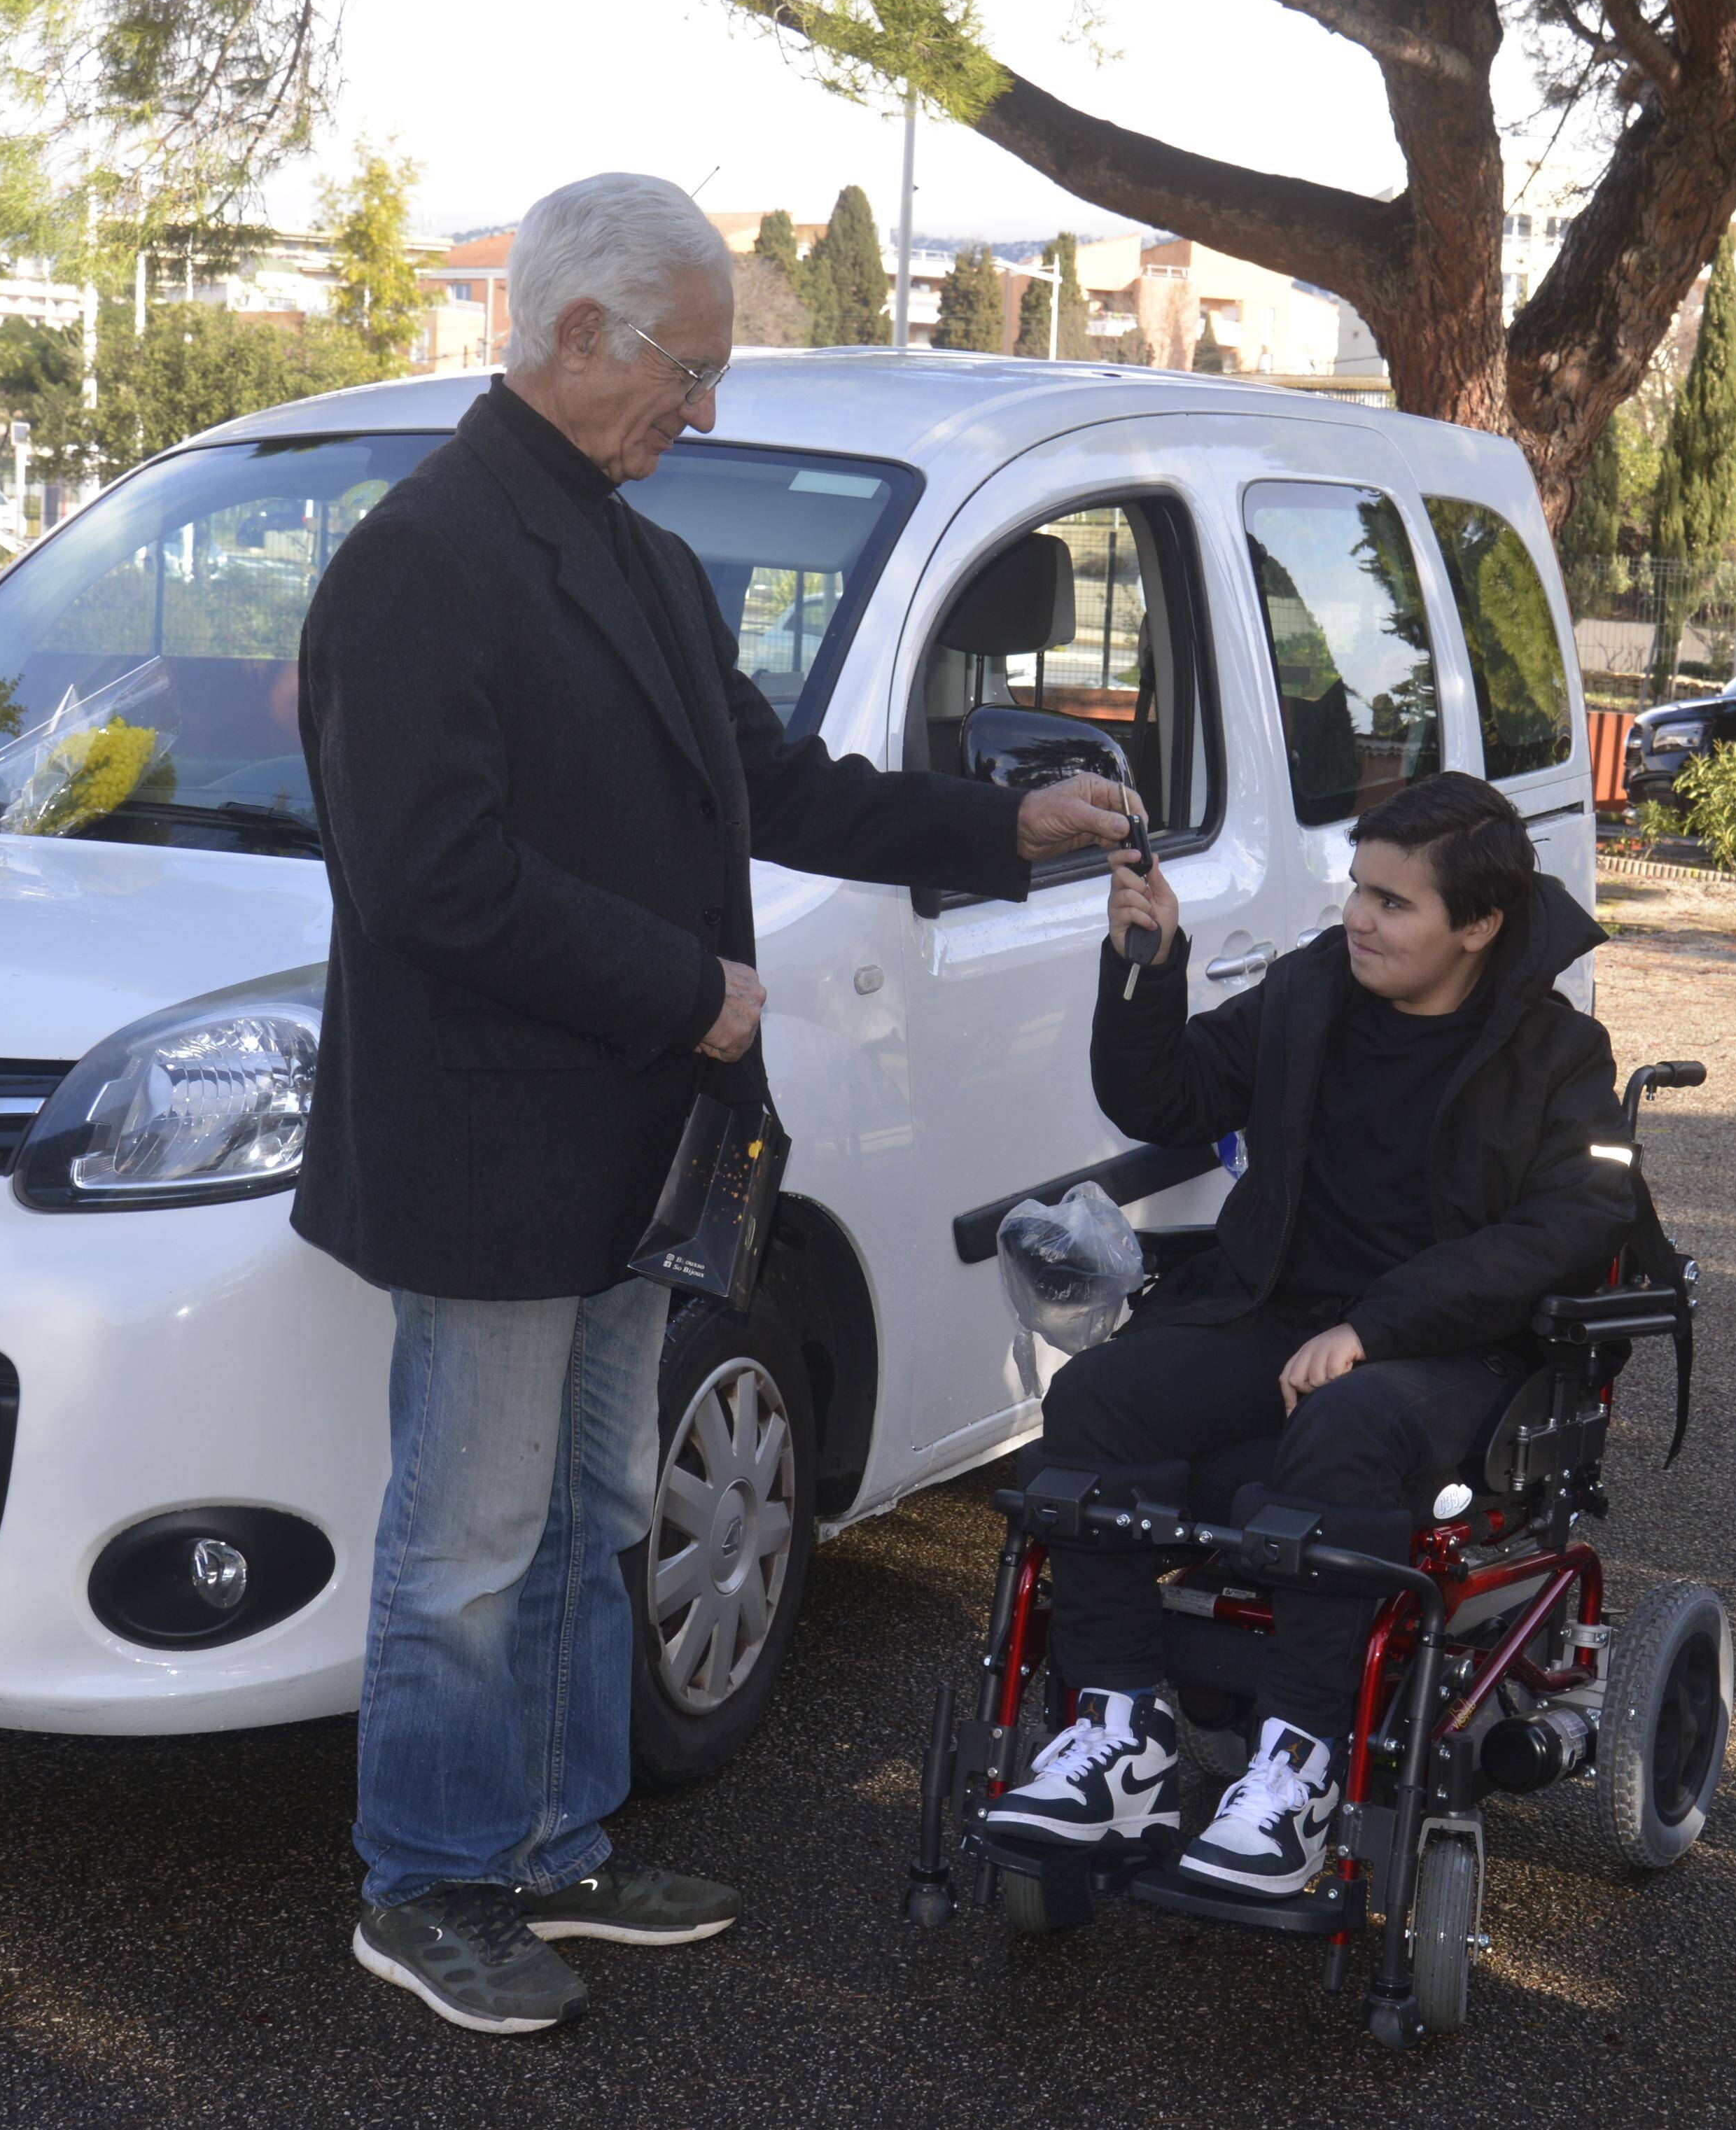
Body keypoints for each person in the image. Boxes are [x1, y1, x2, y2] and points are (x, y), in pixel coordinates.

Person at [297, 171, 1135, 2036]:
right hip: (492, 1155)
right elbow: (430, 880)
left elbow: (778, 785)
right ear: (573, 333)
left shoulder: (642, 558)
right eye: (687, 370)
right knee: (468, 1539)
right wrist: (689, 988)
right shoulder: (422, 560)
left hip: (626, 1150)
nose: (702, 407)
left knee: (593, 1505)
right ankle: (426, 1885)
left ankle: (557, 1845)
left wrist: (1006, 826)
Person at [977, 773, 1636, 1895]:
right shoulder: (1309, 991)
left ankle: (1299, 1772)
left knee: (1346, 1423)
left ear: (1478, 925)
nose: (1358, 918)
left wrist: (1377, 1326)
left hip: (1449, 1352)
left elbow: (1576, 1223)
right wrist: (1147, 967)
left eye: (1393, 902)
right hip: (1272, 1314)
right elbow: (1167, 1101)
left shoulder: (1557, 1054)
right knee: (1097, 1400)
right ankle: (1122, 1736)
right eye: (1359, 890)